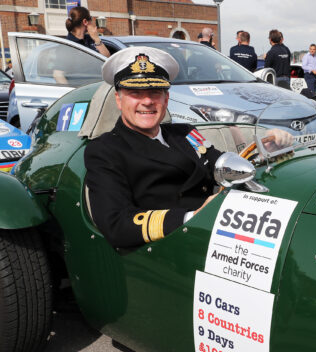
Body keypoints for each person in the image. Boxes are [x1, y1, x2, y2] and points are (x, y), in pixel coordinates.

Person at [84, 47, 292, 249]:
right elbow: (116, 225)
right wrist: (192, 217)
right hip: (170, 249)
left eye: (155, 92)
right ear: (119, 100)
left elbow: (219, 166)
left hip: (218, 235)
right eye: (135, 93)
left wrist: (265, 150)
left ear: (166, 99)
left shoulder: (184, 133)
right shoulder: (105, 151)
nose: (147, 101)